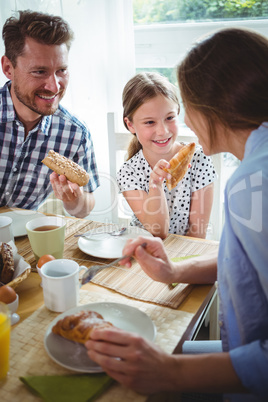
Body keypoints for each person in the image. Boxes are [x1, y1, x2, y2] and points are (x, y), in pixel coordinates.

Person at [85, 27, 268, 401]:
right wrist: (175, 271)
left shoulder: (254, 183)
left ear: (214, 109)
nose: (173, 127)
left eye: (181, 110)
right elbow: (239, 260)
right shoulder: (253, 170)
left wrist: (170, 373)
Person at [0, 10, 99, 218]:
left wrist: (74, 200)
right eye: (40, 72)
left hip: (23, 241)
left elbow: (85, 205)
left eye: (61, 70)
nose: (54, 86)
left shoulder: (74, 133)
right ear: (8, 68)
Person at [117, 72, 216, 239]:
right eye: (150, 122)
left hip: (187, 252)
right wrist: (155, 184)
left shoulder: (199, 160)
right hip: (144, 251)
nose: (162, 131)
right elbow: (157, 232)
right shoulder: (129, 172)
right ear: (130, 125)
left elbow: (197, 232)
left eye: (170, 117)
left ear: (178, 113)